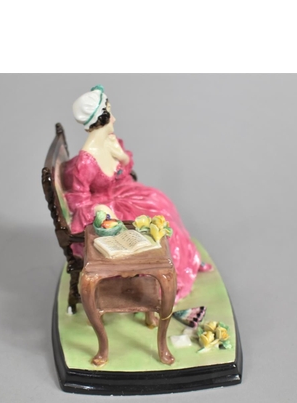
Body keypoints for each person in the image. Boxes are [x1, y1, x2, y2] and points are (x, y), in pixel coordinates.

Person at [63, 85, 210, 301]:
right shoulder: (85, 162)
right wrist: (100, 209)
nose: (114, 119)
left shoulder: (109, 142)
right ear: (101, 118)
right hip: (103, 209)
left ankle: (186, 262)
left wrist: (121, 156)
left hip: (118, 193)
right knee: (153, 225)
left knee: (159, 203)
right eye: (110, 113)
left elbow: (122, 174)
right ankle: (162, 276)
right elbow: (78, 202)